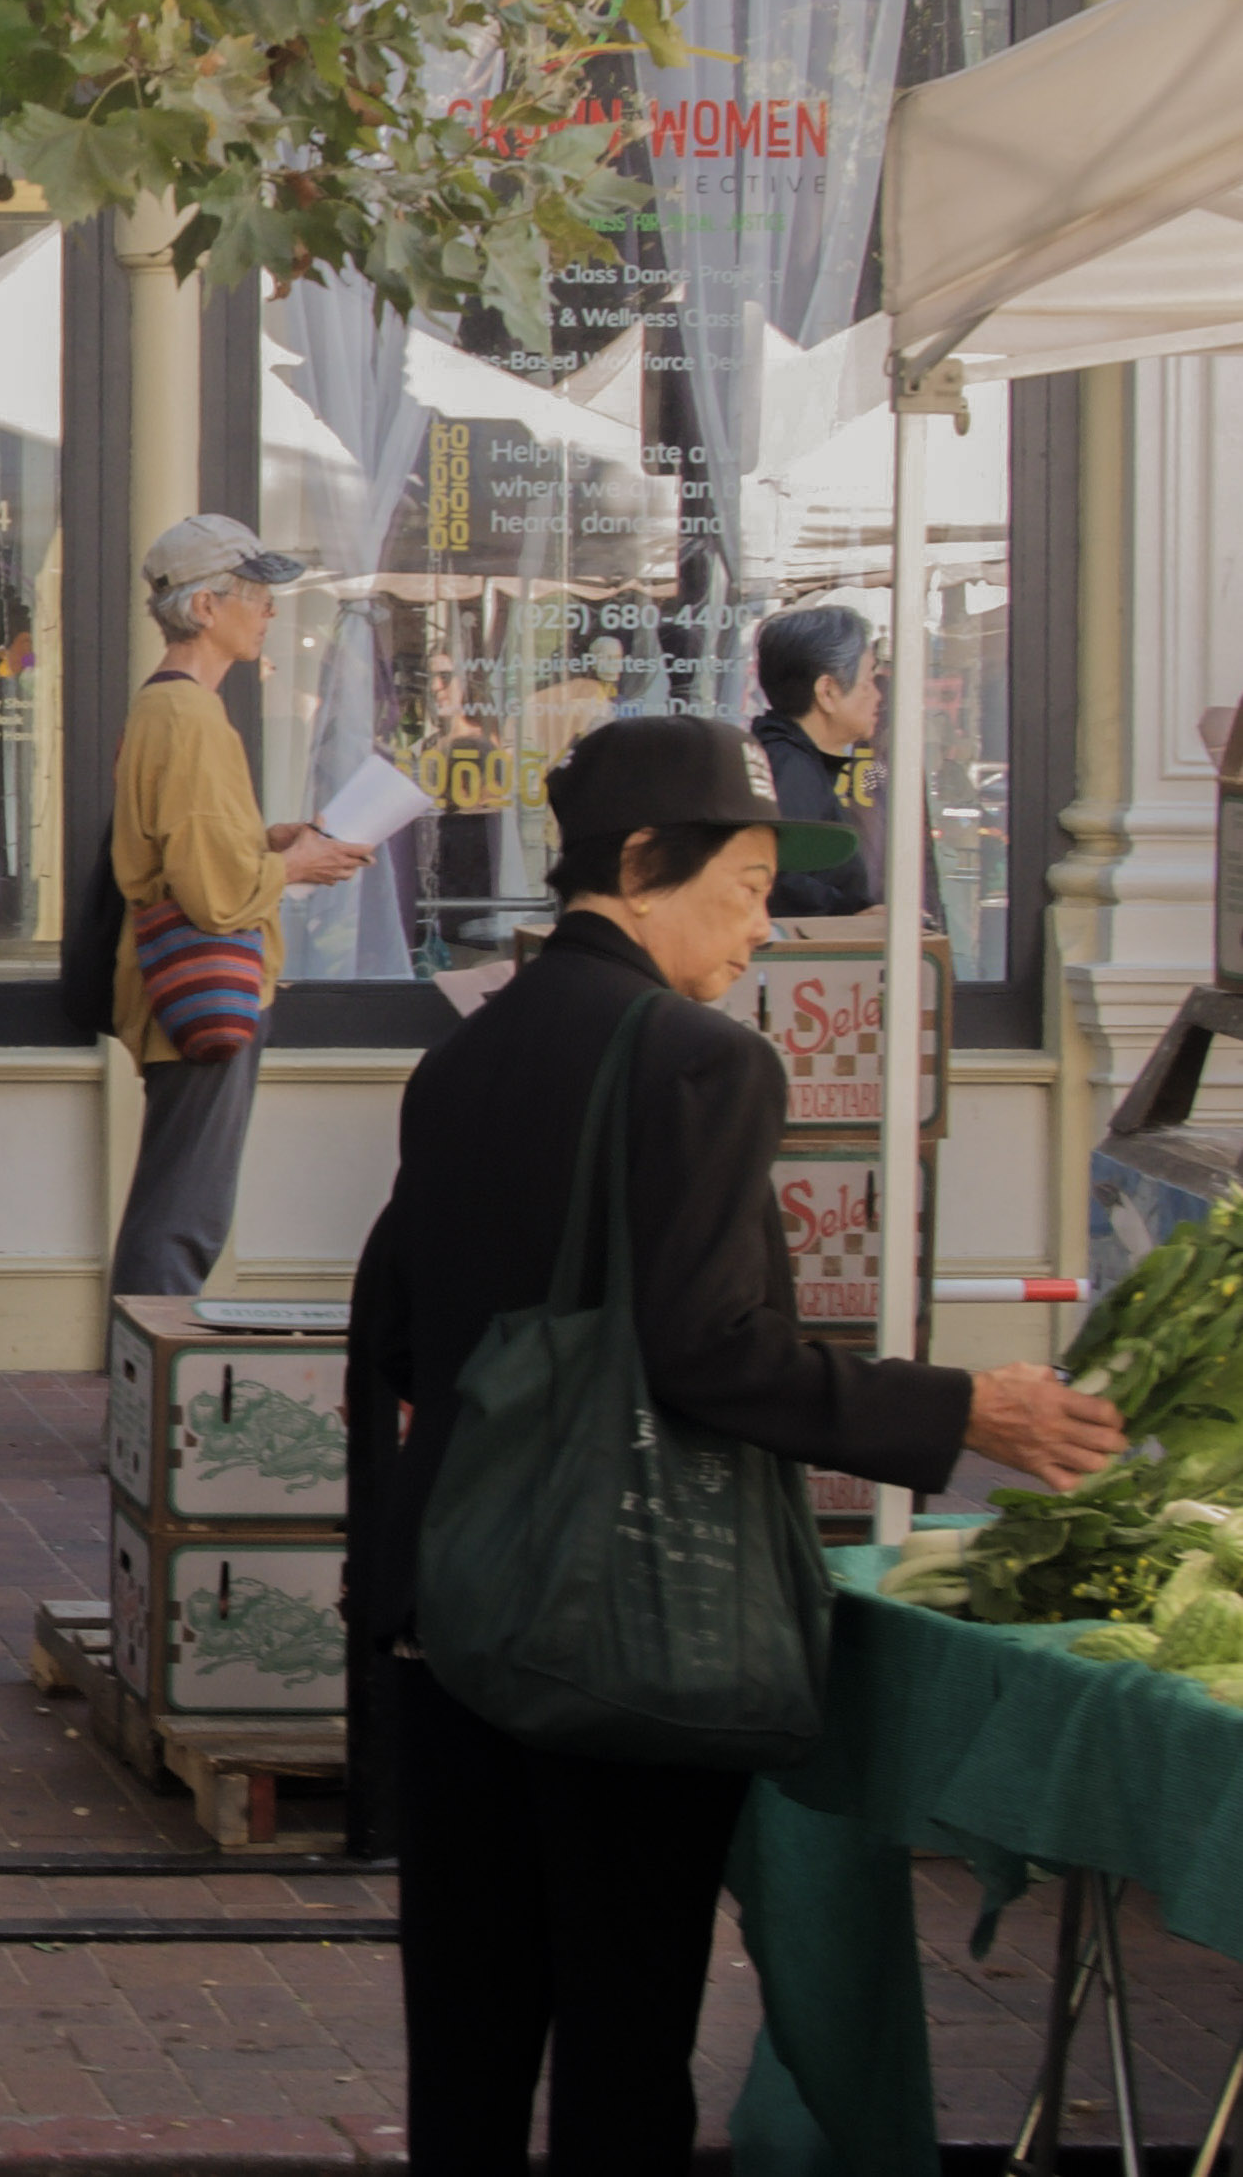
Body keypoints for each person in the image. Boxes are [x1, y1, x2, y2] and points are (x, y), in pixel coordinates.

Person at [351, 715, 1123, 2174]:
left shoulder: (467, 1052)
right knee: (625, 2040)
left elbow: (396, 1331)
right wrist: (971, 1412)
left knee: (465, 2043)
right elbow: (713, 1355)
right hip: (619, 1614)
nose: (766, 924)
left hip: (451, 1602)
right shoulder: (701, 1060)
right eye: (752, 883)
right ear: (644, 864)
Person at [104, 515, 369, 1299]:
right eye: (253, 592)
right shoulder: (187, 715)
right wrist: (294, 863)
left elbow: (188, 844)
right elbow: (213, 892)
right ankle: (147, 1390)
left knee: (181, 1199)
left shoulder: (172, 708)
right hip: (205, 985)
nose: (269, 609)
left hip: (184, 987)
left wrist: (269, 842)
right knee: (186, 1208)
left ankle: (140, 1386)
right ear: (205, 608)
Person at [751, 603, 885, 921]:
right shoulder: (791, 768)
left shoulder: (791, 760)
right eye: (867, 681)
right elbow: (775, 880)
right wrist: (855, 914)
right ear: (827, 692)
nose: (878, 696)